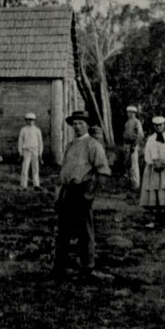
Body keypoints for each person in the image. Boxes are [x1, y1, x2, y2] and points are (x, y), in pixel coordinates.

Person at [53, 111, 111, 279]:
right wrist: (59, 195)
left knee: (84, 232)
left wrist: (90, 193)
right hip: (67, 191)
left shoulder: (93, 145)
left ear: (87, 125)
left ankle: (87, 268)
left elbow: (103, 172)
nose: (77, 126)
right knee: (62, 231)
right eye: (75, 123)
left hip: (82, 191)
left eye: (81, 123)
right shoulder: (70, 145)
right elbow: (64, 171)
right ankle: (59, 268)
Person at [139, 116, 165, 211]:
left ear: (164, 125)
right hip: (153, 166)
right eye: (156, 125)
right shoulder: (150, 139)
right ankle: (153, 204)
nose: (158, 127)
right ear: (154, 126)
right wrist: (152, 163)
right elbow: (147, 153)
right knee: (153, 185)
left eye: (160, 125)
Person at [17, 112, 43, 190]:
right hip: (26, 150)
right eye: (28, 120)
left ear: (34, 121)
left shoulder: (37, 130)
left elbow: (40, 142)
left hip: (35, 150)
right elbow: (20, 142)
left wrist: (40, 153)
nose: (30, 121)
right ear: (26, 120)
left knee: (35, 168)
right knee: (25, 168)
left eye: (32, 120)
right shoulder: (23, 130)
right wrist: (20, 153)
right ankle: (23, 185)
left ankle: (36, 185)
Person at [123, 105, 144, 190]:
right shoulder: (127, 122)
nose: (129, 114)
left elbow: (140, 135)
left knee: (134, 165)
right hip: (127, 144)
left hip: (133, 144)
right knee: (127, 164)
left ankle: (135, 184)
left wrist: (134, 145)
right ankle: (129, 182)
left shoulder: (137, 122)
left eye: (131, 112)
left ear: (134, 113)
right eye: (128, 112)